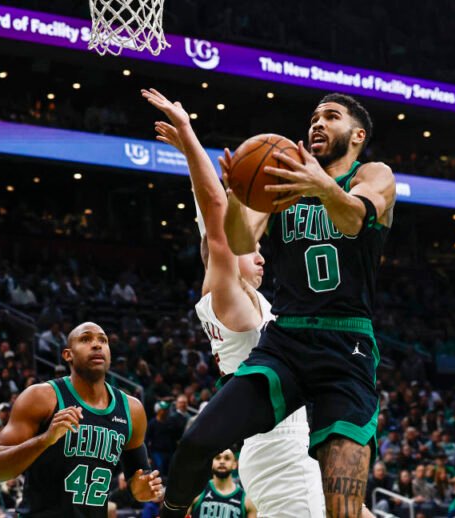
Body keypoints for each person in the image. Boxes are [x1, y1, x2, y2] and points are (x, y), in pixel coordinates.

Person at [149, 90, 396, 518]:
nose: (317, 123)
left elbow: (355, 218)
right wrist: (239, 193)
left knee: (343, 511)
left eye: (330, 117)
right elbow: (241, 239)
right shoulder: (280, 187)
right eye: (314, 117)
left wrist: (318, 182)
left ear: (357, 134)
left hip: (347, 345)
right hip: (288, 339)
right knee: (197, 442)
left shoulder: (371, 173)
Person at [143, 88, 325, 517]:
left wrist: (199, 163)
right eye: (250, 250)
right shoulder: (227, 298)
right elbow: (214, 216)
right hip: (281, 453)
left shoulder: (244, 296)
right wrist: (188, 136)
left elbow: (213, 218)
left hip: (282, 447)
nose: (260, 253)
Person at [0, 321, 164, 516]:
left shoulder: (132, 409)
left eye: (103, 340)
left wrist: (141, 490)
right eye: (86, 339)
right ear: (68, 355)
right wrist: (46, 440)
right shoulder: (41, 398)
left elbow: (137, 480)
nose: (97, 345)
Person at [188, 449, 256, 518]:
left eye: (227, 458)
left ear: (234, 464)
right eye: (218, 458)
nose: (222, 461)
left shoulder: (246, 500)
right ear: (211, 463)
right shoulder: (197, 493)